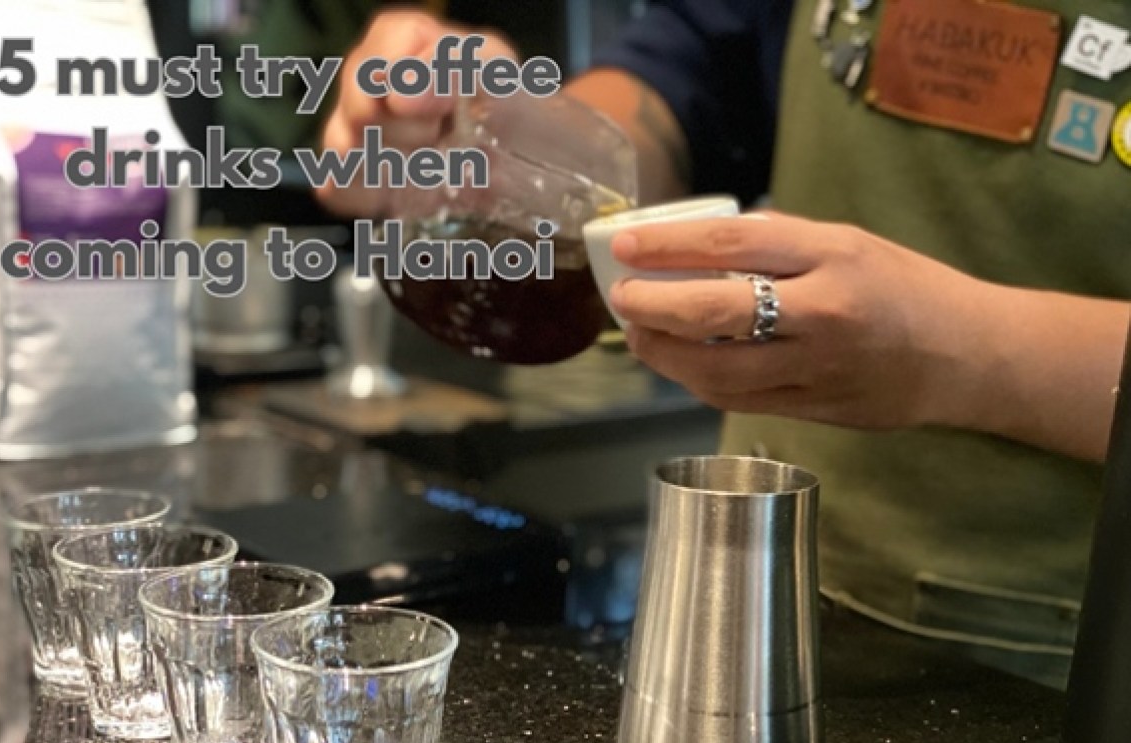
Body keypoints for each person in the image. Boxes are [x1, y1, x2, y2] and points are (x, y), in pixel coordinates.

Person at [318, 1, 1131, 687]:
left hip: (1078, 678)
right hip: (765, 599)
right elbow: (691, 77)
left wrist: (955, 350)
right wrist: (514, 131)